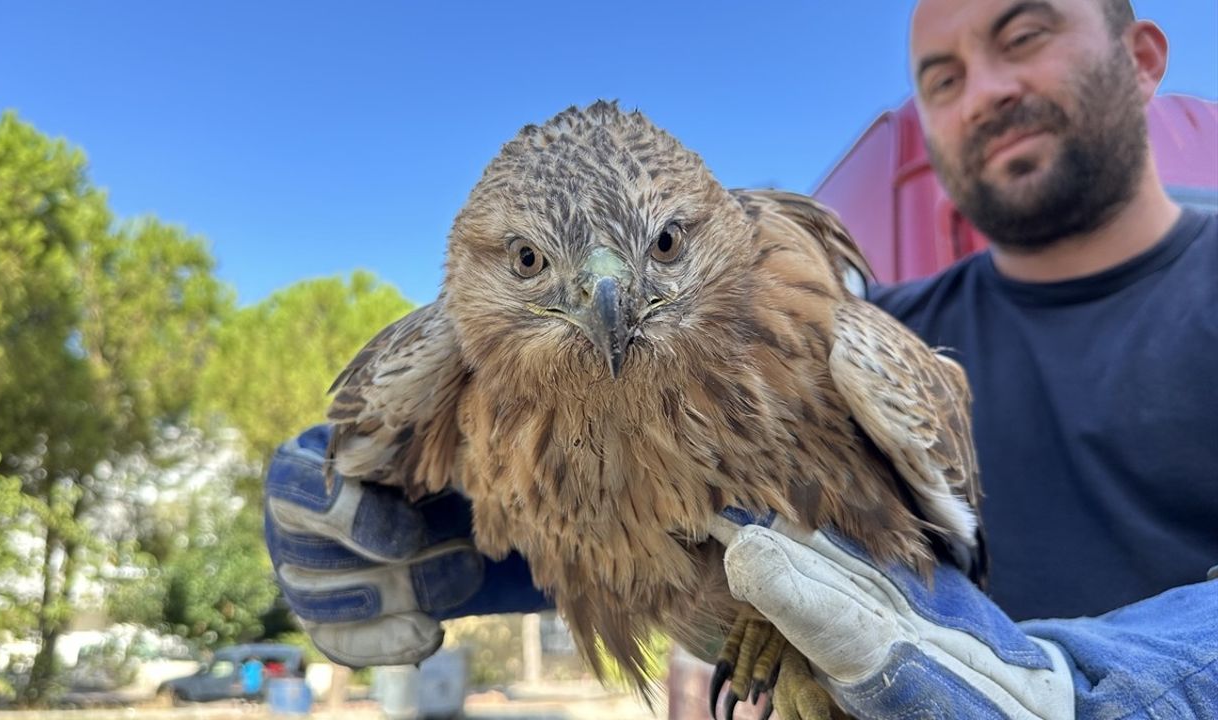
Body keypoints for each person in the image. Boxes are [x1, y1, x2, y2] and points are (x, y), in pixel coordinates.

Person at [264, 0, 1217, 717]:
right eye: (941, 76)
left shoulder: (863, 345)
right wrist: (445, 529)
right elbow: (671, 495)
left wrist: (1099, 693)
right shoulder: (873, 311)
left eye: (1024, 36)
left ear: (1142, 59)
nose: (985, 91)